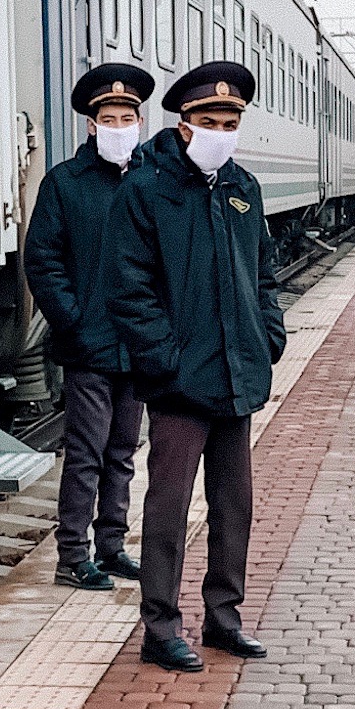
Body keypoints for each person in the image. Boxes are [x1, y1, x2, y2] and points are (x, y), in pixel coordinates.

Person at [107, 62, 286, 671]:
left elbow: (262, 273)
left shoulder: (243, 188)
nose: (220, 130)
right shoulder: (146, 189)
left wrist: (269, 335)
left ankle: (223, 617)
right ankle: (160, 627)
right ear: (183, 126)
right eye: (208, 121)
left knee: (235, 504)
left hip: (237, 374)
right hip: (180, 382)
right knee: (168, 506)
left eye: (229, 121)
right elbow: (128, 287)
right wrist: (165, 359)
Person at [24, 62, 154, 589]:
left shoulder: (152, 180)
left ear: (140, 120)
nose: (118, 124)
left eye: (127, 115)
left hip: (138, 346)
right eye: (108, 116)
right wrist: (72, 322)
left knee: (123, 452)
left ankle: (112, 545)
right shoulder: (65, 183)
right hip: (89, 345)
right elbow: (42, 259)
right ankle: (72, 556)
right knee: (86, 453)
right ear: (91, 124)